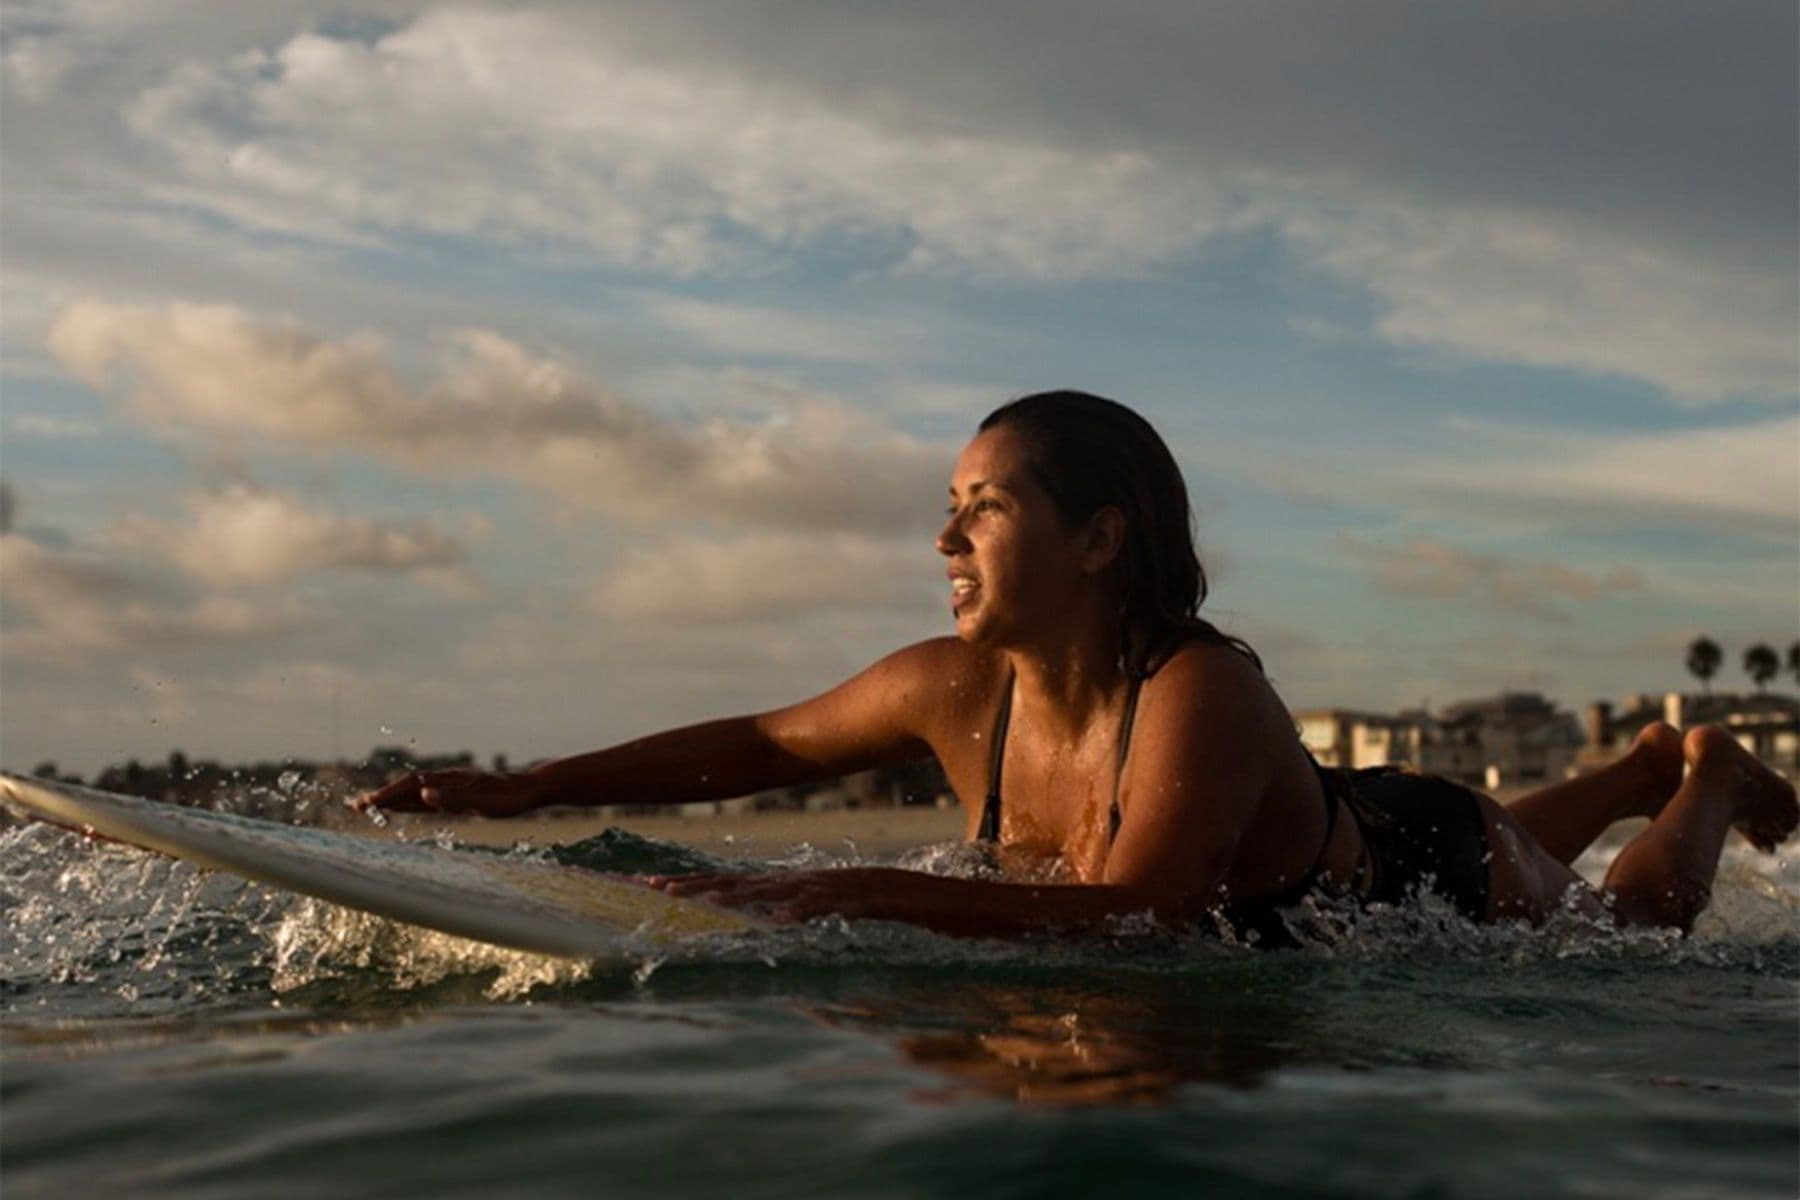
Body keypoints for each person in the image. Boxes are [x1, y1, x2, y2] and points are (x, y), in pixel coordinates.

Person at [360, 391, 1796, 943]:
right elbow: (762, 744)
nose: (943, 534)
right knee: (1429, 822)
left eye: (983, 506)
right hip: (1329, 821)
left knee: (1636, 919)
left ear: (1101, 535)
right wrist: (516, 790)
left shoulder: (1202, 692)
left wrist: (844, 892)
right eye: (951, 505)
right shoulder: (952, 688)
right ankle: (1623, 771)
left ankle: (1706, 776)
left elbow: (1143, 920)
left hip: (1426, 866)